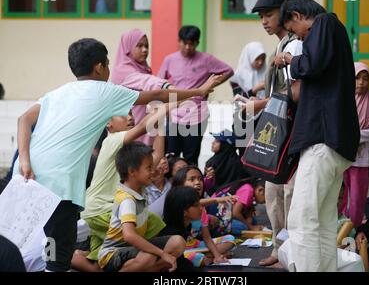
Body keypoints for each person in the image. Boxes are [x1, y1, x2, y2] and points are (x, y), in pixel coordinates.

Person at [13, 38, 222, 272]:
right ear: (99, 67)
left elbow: (24, 120)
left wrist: (24, 160)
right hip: (63, 184)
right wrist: (200, 91)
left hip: (28, 174)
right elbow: (158, 95)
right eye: (108, 63)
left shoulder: (57, 93)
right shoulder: (104, 91)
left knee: (37, 242)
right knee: (58, 255)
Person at [275, 0, 360, 272]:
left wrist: (290, 58)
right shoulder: (334, 30)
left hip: (323, 139)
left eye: (292, 29)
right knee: (323, 222)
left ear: (298, 16)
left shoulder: (324, 23)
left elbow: (311, 64)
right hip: (335, 141)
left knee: (302, 219)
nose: (296, 35)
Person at [249, 0, 303, 267]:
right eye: (261, 17)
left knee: (290, 194)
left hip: (293, 131)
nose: (264, 21)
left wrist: (258, 105)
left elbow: (294, 93)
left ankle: (290, 252)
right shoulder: (280, 45)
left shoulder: (294, 46)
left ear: (284, 12)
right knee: (273, 194)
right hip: (276, 130)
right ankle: (278, 249)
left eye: (268, 15)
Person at [78, 110, 166, 271]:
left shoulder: (129, 153)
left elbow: (157, 155)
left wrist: (160, 123)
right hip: (100, 210)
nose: (130, 117)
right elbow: (141, 126)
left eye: (132, 113)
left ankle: (71, 256)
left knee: (98, 263)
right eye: (123, 114)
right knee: (146, 227)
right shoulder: (111, 140)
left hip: (108, 210)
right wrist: (163, 108)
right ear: (108, 124)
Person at [98, 142, 186, 272]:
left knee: (178, 242)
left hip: (134, 248)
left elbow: (157, 157)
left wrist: (159, 126)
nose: (153, 171)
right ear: (132, 172)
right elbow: (129, 236)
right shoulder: (127, 199)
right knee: (148, 257)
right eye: (149, 168)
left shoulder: (140, 187)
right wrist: (162, 254)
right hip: (113, 253)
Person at [158, 25, 234, 165]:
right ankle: (173, 186)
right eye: (184, 43)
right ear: (179, 41)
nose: (188, 47)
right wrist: (165, 107)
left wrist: (209, 86)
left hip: (197, 116)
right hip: (174, 115)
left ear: (197, 43)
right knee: (170, 157)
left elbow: (228, 70)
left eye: (191, 44)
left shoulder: (206, 59)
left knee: (191, 158)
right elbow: (159, 82)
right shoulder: (170, 59)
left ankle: (190, 186)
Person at [111, 28, 176, 145]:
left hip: (147, 129)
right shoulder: (122, 70)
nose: (145, 50)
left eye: (146, 46)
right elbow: (147, 82)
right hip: (132, 132)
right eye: (139, 46)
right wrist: (168, 86)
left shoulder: (143, 68)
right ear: (128, 48)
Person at [340, 62, 369, 228]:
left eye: (365, 79)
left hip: (360, 158)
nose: (361, 83)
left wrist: (356, 136)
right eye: (357, 78)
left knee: (357, 196)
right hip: (341, 156)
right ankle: (341, 226)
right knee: (342, 193)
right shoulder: (343, 100)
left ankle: (355, 229)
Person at [171, 166, 235, 267]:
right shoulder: (177, 204)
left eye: (200, 179)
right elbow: (196, 203)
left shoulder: (202, 209)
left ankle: (210, 256)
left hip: (195, 245)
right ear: (180, 185)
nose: (198, 182)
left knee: (230, 239)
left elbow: (207, 237)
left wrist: (218, 256)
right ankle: (206, 257)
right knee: (198, 259)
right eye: (192, 179)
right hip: (178, 249)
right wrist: (216, 200)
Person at [204, 129, 247, 195]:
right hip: (214, 197)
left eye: (217, 141)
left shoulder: (236, 164)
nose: (212, 142)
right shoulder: (210, 162)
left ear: (225, 145)